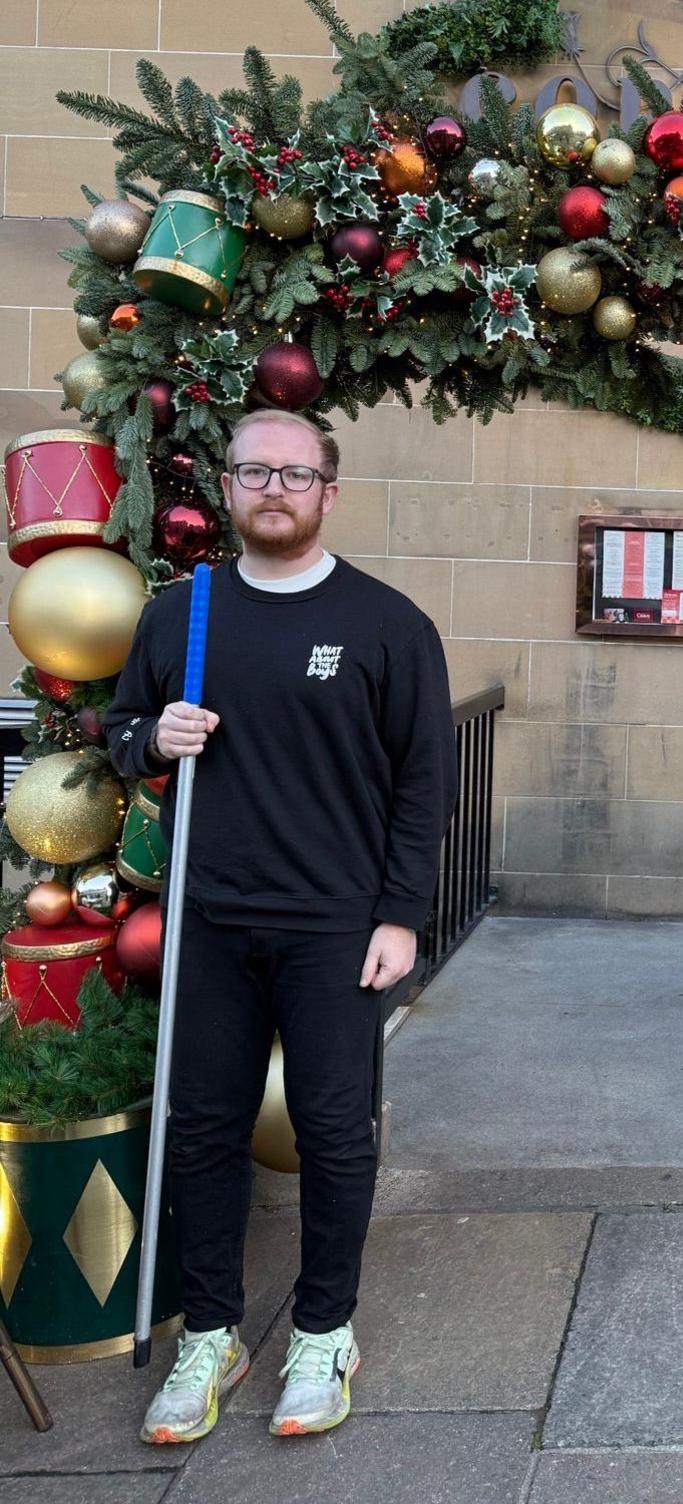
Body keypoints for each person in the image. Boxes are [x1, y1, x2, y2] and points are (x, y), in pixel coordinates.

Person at [103, 409, 457, 1442]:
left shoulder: (388, 625)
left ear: (328, 492)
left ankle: (322, 1329)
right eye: (253, 469)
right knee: (203, 1125)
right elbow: (122, 730)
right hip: (209, 917)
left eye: (294, 473)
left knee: (335, 1132)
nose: (273, 488)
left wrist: (400, 914)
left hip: (335, 926)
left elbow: (422, 782)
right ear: (226, 486)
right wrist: (149, 737)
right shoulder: (181, 616)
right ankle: (209, 1331)